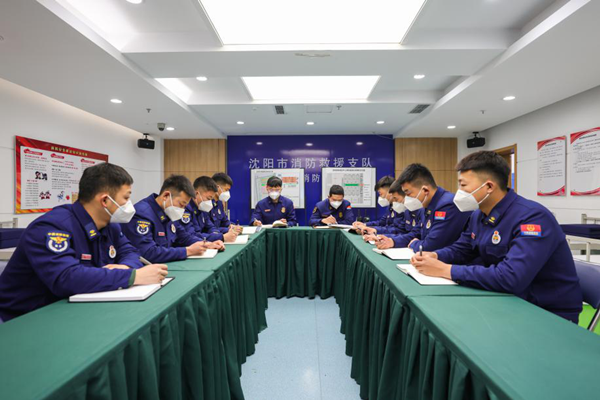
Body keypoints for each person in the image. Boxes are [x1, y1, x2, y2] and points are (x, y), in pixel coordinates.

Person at [410, 151, 583, 322]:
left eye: (463, 185)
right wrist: (436, 256)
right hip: (504, 299)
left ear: (489, 187)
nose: (459, 192)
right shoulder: (479, 215)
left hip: (544, 312)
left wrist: (446, 270)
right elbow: (462, 249)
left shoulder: (532, 218)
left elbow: (510, 277)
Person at [0, 163, 168, 322]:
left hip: (74, 309)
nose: (129, 205)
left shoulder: (110, 226)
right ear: (105, 201)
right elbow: (66, 278)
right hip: (23, 318)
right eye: (126, 198)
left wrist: (125, 266)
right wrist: (133, 276)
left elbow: (131, 252)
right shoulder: (52, 227)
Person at [376, 163, 471, 252]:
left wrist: (414, 244)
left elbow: (432, 245)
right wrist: (392, 241)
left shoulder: (447, 205)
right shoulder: (425, 206)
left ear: (425, 190)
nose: (406, 199)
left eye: (408, 193)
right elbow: (416, 233)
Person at [122, 175, 210, 263]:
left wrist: (205, 244)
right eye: (181, 204)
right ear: (166, 195)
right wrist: (187, 251)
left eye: (185, 206)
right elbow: (148, 253)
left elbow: (183, 237)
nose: (182, 210)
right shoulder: (142, 214)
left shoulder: (169, 211)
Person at [362, 179, 421, 244]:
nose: (381, 197)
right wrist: (375, 232)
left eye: (381, 194)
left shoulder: (410, 210)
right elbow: (396, 229)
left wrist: (387, 239)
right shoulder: (396, 208)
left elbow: (405, 232)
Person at [180, 176, 234, 244]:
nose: (210, 202)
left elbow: (210, 227)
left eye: (211, 199)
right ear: (196, 194)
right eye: (208, 198)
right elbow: (193, 235)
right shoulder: (186, 209)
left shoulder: (202, 208)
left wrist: (217, 234)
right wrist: (221, 237)